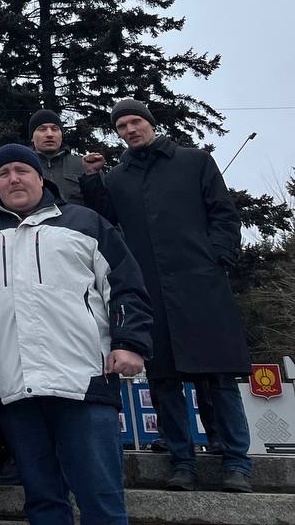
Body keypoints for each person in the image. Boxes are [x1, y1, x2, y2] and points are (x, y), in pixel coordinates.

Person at [0, 144, 153, 525]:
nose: (13, 179)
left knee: (101, 499)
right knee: (43, 502)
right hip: (13, 385)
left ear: (40, 178)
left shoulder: (86, 222)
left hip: (84, 381)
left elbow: (126, 285)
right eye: (3, 173)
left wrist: (129, 342)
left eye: (22, 171)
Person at [80, 99, 253, 493]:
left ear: (150, 123)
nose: (129, 130)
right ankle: (182, 462)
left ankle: (236, 462)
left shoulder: (195, 161)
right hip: (151, 290)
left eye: (135, 121)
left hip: (202, 284)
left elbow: (224, 213)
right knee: (164, 380)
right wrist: (92, 178)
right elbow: (106, 219)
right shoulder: (118, 177)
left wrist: (217, 258)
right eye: (121, 126)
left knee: (219, 376)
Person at [27, 110, 86, 206]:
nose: (49, 134)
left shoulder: (83, 166)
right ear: (32, 137)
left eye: (55, 129)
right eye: (42, 129)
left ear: (61, 135)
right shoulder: (21, 167)